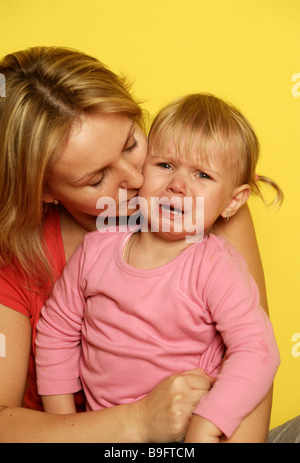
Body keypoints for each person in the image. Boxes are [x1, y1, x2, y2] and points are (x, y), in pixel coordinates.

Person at [35, 93, 282, 443]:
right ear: (142, 170)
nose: (178, 185)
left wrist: (209, 423)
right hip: (110, 433)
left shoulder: (216, 266)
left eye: (203, 175)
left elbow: (257, 349)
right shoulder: (96, 250)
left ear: (233, 201)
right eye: (165, 165)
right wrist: (63, 421)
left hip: (189, 432)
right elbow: (56, 332)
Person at [0, 46, 215, 443]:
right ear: (46, 191)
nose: (135, 179)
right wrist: (135, 422)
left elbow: (250, 358)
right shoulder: (15, 263)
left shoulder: (202, 200)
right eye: (97, 178)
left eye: (131, 144)